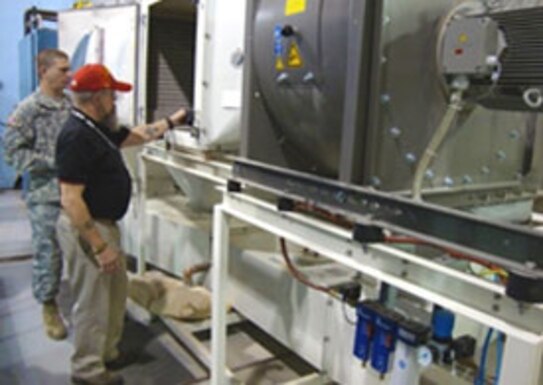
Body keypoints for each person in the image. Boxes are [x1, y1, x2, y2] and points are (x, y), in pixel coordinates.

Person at [55, 63, 190, 385]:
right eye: (112, 95)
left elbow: (138, 135)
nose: (115, 101)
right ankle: (87, 370)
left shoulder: (97, 126)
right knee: (93, 303)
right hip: (87, 228)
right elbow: (71, 199)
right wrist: (99, 246)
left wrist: (174, 120)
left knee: (114, 296)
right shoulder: (75, 135)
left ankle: (108, 353)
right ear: (96, 97)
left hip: (104, 226)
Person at [3, 49, 72, 340]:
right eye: (63, 70)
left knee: (80, 252)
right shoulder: (29, 109)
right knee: (49, 252)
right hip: (46, 195)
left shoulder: (70, 105)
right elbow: (12, 153)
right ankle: (48, 304)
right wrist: (49, 162)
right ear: (44, 71)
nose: (69, 76)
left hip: (76, 192)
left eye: (69, 70)